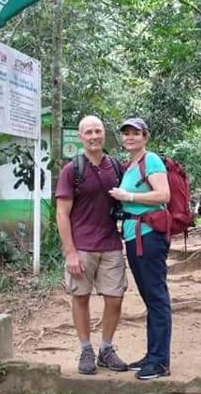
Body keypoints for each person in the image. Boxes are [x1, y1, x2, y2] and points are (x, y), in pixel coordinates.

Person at [55, 115, 129, 375]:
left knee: (115, 298)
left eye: (98, 131)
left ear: (104, 134)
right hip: (82, 246)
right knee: (81, 296)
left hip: (110, 244)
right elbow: (62, 213)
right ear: (80, 137)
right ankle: (86, 349)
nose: (94, 136)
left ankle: (106, 349)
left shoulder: (116, 167)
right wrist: (70, 251)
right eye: (88, 132)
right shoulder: (71, 170)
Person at [108, 117, 172, 380]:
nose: (130, 137)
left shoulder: (151, 160)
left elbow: (163, 195)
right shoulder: (129, 166)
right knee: (149, 297)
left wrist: (130, 197)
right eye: (126, 134)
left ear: (145, 136)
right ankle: (152, 355)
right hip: (135, 236)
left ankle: (159, 362)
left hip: (150, 236)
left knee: (157, 297)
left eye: (136, 133)